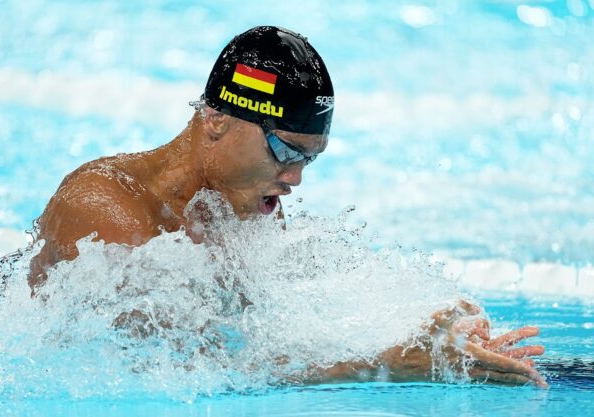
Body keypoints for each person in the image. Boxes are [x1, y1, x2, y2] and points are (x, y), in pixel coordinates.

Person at [28, 26, 547, 388]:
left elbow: (273, 334)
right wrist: (383, 366)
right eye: (284, 151)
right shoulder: (104, 209)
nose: (295, 178)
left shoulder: (236, 209)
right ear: (216, 119)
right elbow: (185, 370)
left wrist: (425, 337)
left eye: (308, 160)